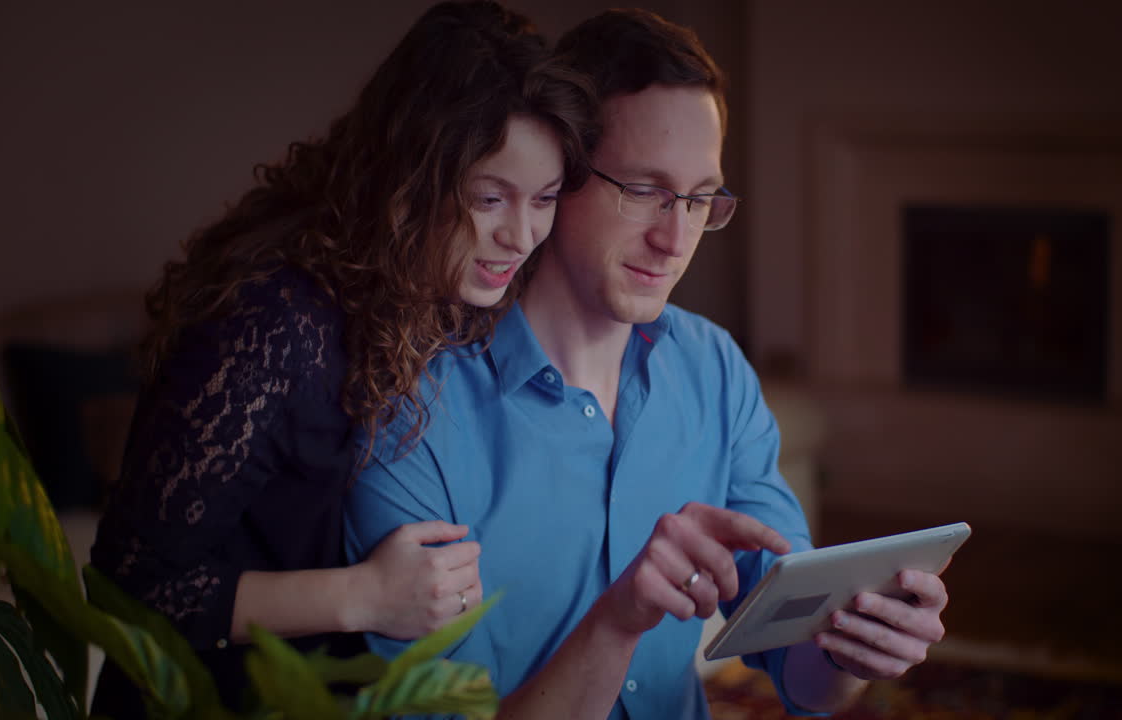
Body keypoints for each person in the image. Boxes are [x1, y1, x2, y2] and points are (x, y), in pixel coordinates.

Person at [344, 7, 953, 720]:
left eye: (699, 200)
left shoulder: (715, 371)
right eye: (644, 191)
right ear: (561, 171)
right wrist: (618, 620)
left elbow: (803, 675)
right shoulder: (414, 414)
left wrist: (857, 646)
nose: (675, 239)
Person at [87, 1, 594, 716]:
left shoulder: (442, 291)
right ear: (412, 177)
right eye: (489, 197)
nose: (521, 234)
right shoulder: (274, 320)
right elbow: (127, 584)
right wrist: (364, 596)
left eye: (542, 200)